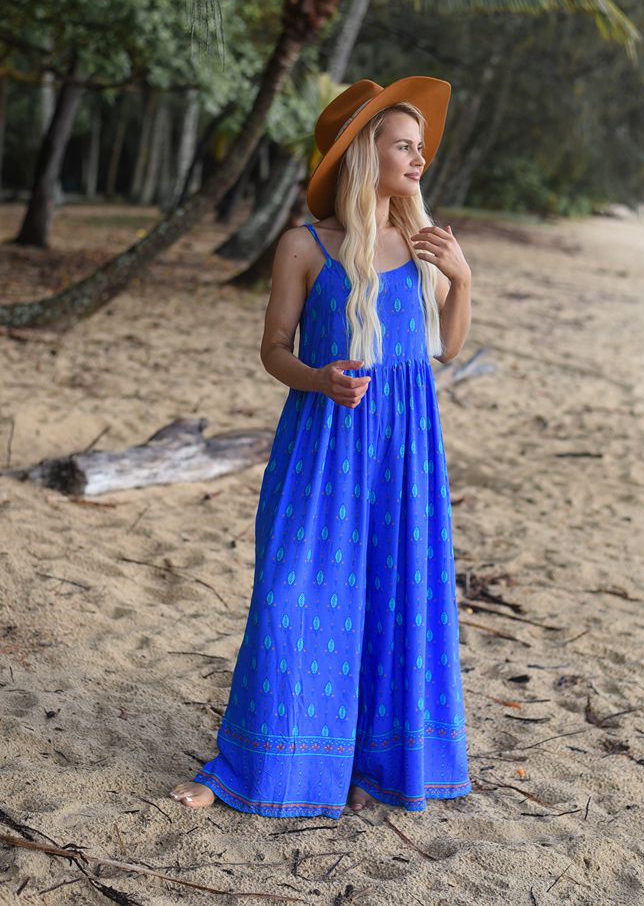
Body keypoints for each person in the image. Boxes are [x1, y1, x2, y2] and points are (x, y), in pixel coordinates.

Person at [170, 75, 473, 818]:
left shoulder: (425, 244)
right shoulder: (303, 247)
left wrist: (461, 278)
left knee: (394, 599)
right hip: (322, 444)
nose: (417, 159)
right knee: (292, 595)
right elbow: (273, 349)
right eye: (403, 145)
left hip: (404, 455)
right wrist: (316, 377)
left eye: (421, 148)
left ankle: (374, 764)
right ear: (363, 155)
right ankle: (255, 768)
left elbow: (447, 349)